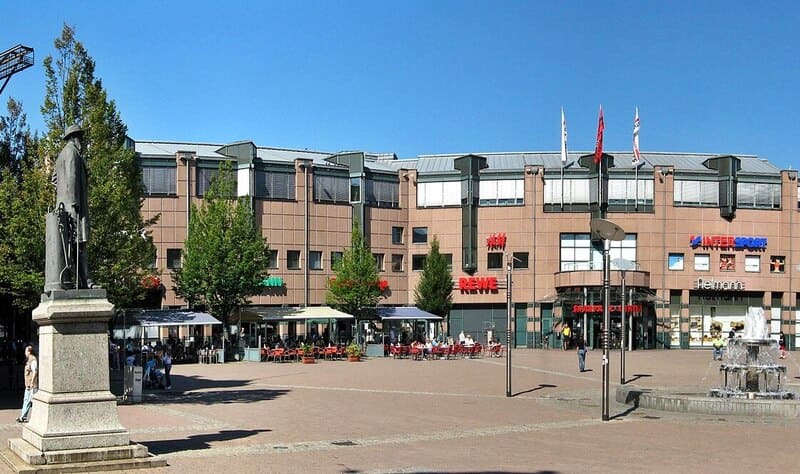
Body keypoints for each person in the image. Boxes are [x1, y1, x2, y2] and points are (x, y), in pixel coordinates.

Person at [17, 345, 38, 423]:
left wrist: (32, 382)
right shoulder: (28, 360)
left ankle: (23, 416)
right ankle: (23, 416)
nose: (25, 353)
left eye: (26, 351)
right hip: (28, 384)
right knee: (26, 400)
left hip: (32, 385)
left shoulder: (33, 360)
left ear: (29, 352)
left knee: (30, 400)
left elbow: (35, 371)